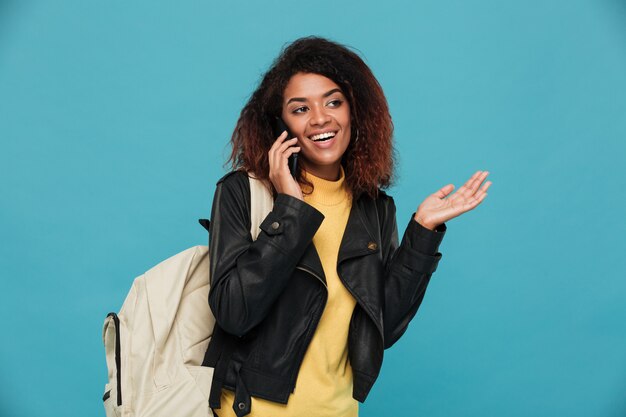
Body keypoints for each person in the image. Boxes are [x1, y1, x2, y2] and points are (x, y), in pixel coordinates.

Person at [202, 36, 491, 417]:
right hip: (251, 410)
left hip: (338, 410)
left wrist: (421, 232)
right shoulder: (242, 191)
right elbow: (234, 312)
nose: (320, 118)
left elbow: (381, 329)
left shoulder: (374, 207)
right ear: (280, 124)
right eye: (300, 108)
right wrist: (289, 209)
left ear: (355, 111)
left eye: (333, 101)